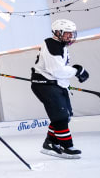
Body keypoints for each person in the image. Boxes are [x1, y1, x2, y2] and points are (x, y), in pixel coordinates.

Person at [31, 19, 89, 159]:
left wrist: (67, 82)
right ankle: (66, 145)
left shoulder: (60, 45)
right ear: (57, 33)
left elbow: (58, 71)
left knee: (66, 115)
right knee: (61, 116)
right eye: (67, 34)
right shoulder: (52, 45)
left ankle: (50, 142)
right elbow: (57, 70)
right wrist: (77, 71)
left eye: (72, 34)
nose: (70, 37)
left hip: (54, 83)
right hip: (44, 84)